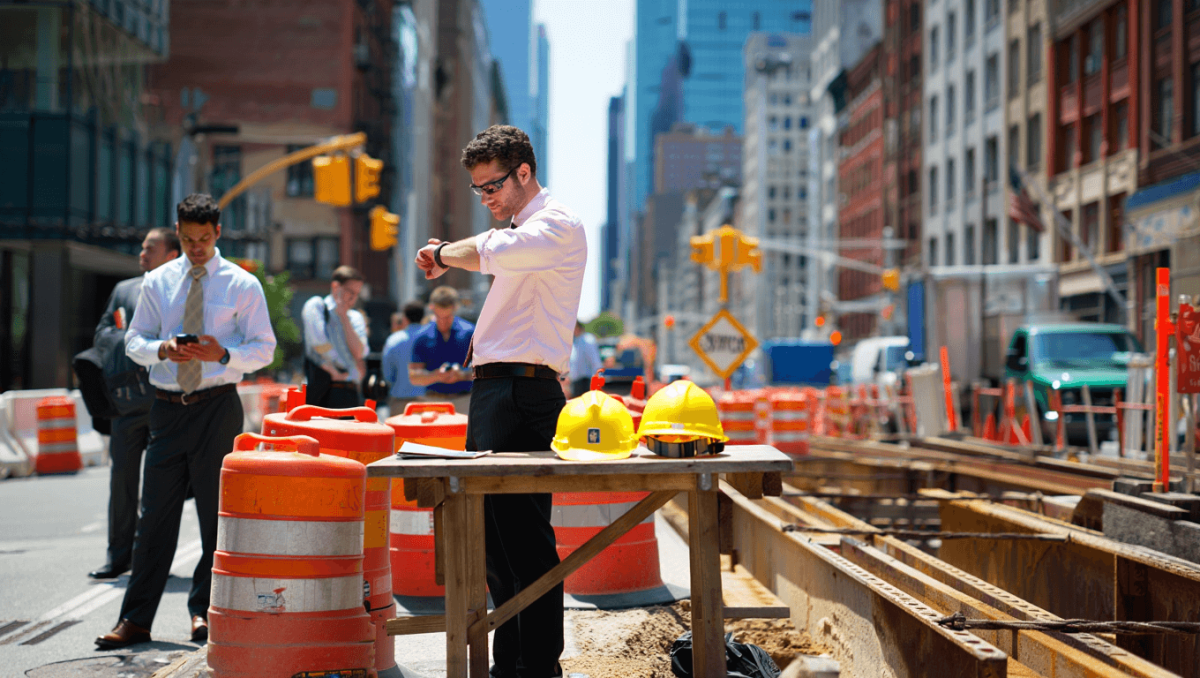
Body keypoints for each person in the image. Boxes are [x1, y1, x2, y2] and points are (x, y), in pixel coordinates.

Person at [415, 124, 586, 678]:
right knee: (496, 546)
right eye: (478, 191)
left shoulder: (554, 223)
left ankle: (537, 669)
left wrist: (442, 251)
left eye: (492, 187)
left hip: (523, 391)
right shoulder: (524, 229)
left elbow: (491, 250)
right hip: (498, 390)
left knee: (526, 545)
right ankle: (512, 664)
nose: (486, 198)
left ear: (524, 173)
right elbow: (496, 251)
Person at [95, 193, 276, 649]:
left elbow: (265, 348)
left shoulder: (242, 284)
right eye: (189, 238)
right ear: (178, 233)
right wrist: (162, 349)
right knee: (154, 518)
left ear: (218, 233)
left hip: (218, 407)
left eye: (205, 238)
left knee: (216, 518)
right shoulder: (157, 282)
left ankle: (204, 612)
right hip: (167, 407)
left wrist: (224, 353)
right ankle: (135, 619)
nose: (197, 247)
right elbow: (133, 338)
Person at [88, 228, 180, 580]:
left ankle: (154, 560)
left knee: (164, 488)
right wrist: (131, 339)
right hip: (126, 403)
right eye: (142, 248)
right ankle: (118, 557)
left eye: (150, 248)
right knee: (122, 480)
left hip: (166, 401)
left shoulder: (181, 290)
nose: (142, 253)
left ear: (171, 255)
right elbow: (101, 332)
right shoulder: (124, 289)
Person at [302, 266, 369, 408]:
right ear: (335, 287)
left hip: (349, 390)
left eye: (357, 294)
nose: (353, 298)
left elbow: (359, 353)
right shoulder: (317, 307)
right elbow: (318, 342)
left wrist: (344, 317)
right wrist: (338, 369)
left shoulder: (355, 317)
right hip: (322, 388)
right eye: (350, 291)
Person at [408, 286, 474, 414]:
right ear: (432, 308)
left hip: (464, 400)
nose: (443, 322)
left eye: (448, 317)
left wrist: (462, 375)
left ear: (456, 308)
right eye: (439, 317)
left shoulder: (470, 332)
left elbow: (483, 371)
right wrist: (437, 376)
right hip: (433, 402)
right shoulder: (422, 336)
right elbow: (414, 377)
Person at [382, 301, 427, 414]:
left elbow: (387, 374)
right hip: (428, 402)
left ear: (405, 318)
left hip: (400, 402)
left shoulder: (393, 340)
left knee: (399, 432)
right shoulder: (431, 338)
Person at [568, 321, 603, 398]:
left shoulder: (588, 340)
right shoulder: (575, 341)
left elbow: (595, 362)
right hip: (576, 382)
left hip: (586, 381)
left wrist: (598, 381)